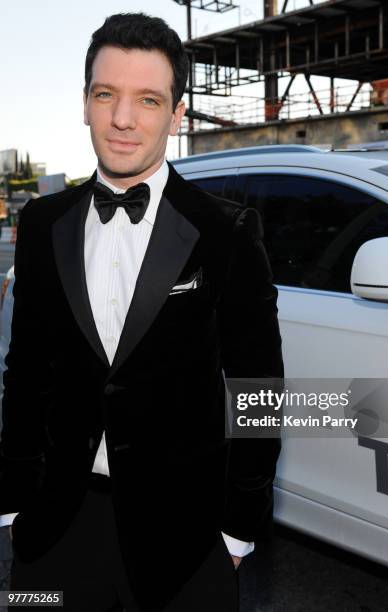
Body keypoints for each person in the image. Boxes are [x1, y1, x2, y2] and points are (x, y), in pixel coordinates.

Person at [0, 11, 284, 612]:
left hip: (187, 541)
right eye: (107, 95)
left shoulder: (227, 232)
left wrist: (238, 529)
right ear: (84, 103)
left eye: (149, 100)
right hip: (53, 529)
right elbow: (24, 373)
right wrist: (13, 502)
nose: (123, 120)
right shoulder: (43, 224)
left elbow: (261, 390)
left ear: (177, 114)